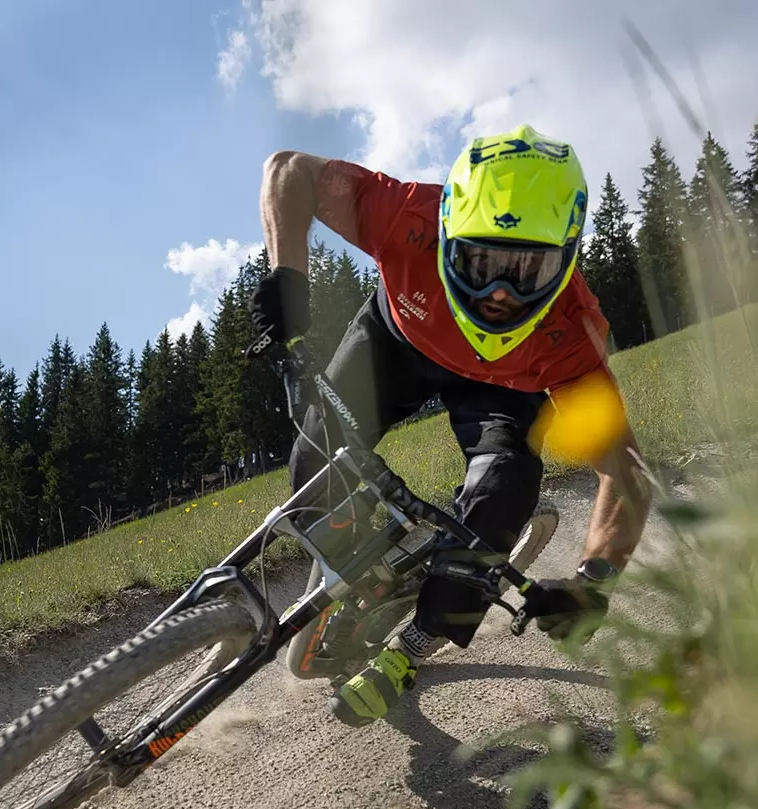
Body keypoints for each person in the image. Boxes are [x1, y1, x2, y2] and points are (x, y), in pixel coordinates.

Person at [247, 124, 651, 728]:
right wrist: (287, 281)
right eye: (480, 259)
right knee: (315, 469)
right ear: (445, 227)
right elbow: (288, 171)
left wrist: (592, 583)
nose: (498, 294)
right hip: (396, 343)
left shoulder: (574, 331)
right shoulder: (407, 215)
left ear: (568, 261)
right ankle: (360, 562)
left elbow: (628, 476)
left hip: (500, 390)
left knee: (503, 491)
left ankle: (413, 647)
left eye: (528, 272)